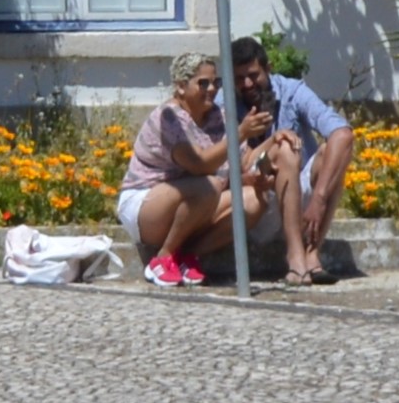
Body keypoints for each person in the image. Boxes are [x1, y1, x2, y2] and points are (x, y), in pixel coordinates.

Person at [226, 33, 356, 285]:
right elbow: (230, 166)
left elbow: (343, 135)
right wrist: (250, 132)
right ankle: (295, 255)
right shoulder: (225, 101)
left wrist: (318, 199)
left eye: (253, 75)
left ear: (268, 69)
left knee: (332, 153)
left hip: (299, 193)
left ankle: (311, 255)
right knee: (285, 146)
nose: (248, 84)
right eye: (239, 79)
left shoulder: (293, 91)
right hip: (256, 195)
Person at [114, 52, 238, 286]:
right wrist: (239, 135)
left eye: (216, 82)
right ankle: (163, 258)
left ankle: (188, 255)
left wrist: (272, 146)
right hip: (144, 203)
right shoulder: (168, 117)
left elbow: (240, 162)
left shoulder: (217, 117)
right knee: (208, 185)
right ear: (181, 86)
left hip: (192, 200)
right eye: (203, 83)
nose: (212, 89)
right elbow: (200, 164)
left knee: (252, 200)